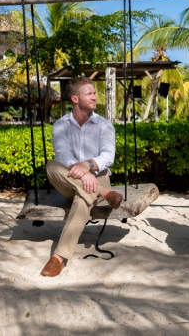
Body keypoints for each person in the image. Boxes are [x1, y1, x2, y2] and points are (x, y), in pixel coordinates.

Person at [40, 76, 124, 277]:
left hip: (98, 175)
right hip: (71, 179)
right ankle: (104, 193)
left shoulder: (104, 125)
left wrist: (88, 166)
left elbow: (107, 156)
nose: (95, 97)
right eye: (90, 93)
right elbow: (62, 155)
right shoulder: (61, 125)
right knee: (52, 165)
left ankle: (58, 257)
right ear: (75, 99)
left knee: (82, 200)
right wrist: (81, 172)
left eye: (94, 93)